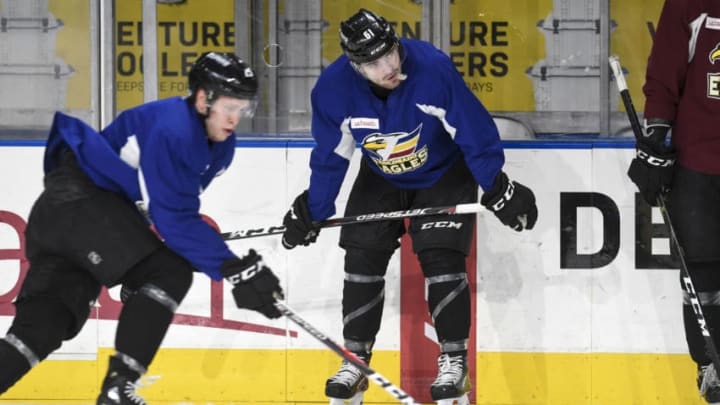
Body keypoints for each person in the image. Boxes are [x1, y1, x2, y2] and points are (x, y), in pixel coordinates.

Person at [280, 8, 538, 405]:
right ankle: (355, 362)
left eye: (391, 53)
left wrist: (498, 186)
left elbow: (472, 129)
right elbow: (331, 156)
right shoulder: (333, 90)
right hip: (380, 176)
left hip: (443, 172)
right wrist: (314, 209)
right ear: (354, 66)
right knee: (362, 255)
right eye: (374, 62)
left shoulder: (431, 69)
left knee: (441, 258)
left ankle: (453, 362)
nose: (388, 66)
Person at [0, 52, 284, 405]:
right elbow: (173, 217)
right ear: (202, 99)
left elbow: (170, 211)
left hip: (64, 214)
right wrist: (234, 268)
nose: (235, 118)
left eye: (243, 108)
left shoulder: (219, 147)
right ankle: (120, 387)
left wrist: (204, 255)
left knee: (42, 327)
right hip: (81, 204)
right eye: (229, 107)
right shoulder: (174, 129)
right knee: (169, 273)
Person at [628, 0, 720, 403]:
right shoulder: (690, 2)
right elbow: (665, 70)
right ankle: (710, 365)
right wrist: (656, 136)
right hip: (698, 161)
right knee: (701, 277)